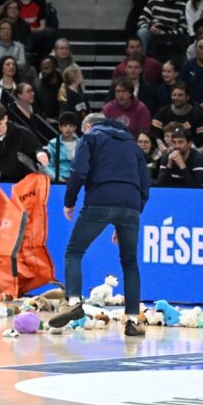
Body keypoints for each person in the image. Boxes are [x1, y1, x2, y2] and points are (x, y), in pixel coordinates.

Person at [49, 117, 150, 337]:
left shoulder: (91, 136)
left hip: (100, 201)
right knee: (130, 262)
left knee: (74, 252)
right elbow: (145, 183)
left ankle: (74, 303)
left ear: (88, 126)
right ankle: (133, 320)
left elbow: (78, 171)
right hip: (131, 206)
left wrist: (69, 201)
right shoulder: (133, 145)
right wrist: (132, 212)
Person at [0, 102, 41, 182]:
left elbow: (37, 149)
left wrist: (40, 152)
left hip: (22, 184)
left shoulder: (22, 133)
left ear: (6, 118)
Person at [41, 111, 80, 181]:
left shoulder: (81, 143)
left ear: (75, 128)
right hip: (58, 180)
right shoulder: (53, 143)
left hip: (77, 181)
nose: (68, 128)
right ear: (60, 127)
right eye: (65, 126)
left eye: (71, 126)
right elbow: (49, 166)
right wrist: (58, 178)